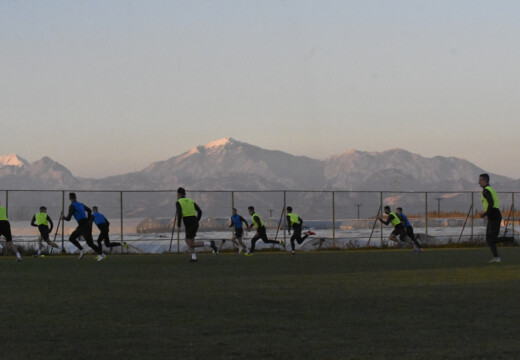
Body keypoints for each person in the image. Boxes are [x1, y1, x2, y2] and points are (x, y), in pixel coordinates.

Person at [175, 187, 218, 262]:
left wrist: (178, 225)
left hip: (188, 224)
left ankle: (210, 244)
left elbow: (180, 213)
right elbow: (200, 211)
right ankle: (194, 258)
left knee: (191, 244)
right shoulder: (190, 200)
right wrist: (196, 221)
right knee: (190, 241)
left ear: (179, 194)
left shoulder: (178, 202)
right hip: (194, 222)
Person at [62, 193, 106, 261]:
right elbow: (89, 210)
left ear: (69, 199)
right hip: (83, 225)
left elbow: (68, 219)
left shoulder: (71, 206)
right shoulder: (81, 204)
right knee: (72, 238)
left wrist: (63, 217)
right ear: (75, 197)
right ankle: (82, 250)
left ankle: (102, 254)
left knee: (89, 243)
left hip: (84, 226)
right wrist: (88, 220)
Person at [479, 173, 502, 263]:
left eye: (480, 180)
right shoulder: (489, 189)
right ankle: (496, 257)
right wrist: (486, 213)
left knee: (491, 238)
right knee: (489, 238)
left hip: (494, 216)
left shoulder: (486, 191)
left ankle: (497, 258)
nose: (479, 182)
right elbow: (490, 204)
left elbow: (491, 204)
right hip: (493, 216)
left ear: (484, 181)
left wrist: (485, 214)